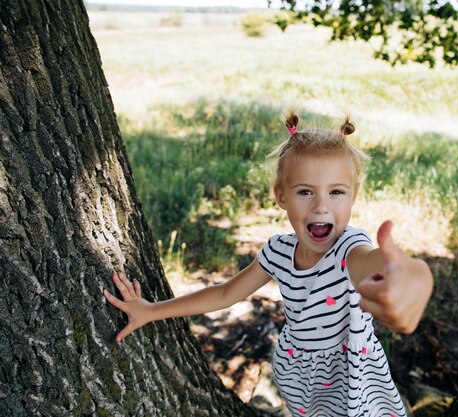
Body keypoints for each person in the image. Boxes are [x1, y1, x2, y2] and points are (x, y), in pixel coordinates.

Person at [104, 110, 434, 417]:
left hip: (350, 381)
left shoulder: (349, 248)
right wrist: (151, 310)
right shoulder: (277, 252)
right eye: (305, 192)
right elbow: (224, 295)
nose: (321, 206)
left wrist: (410, 276)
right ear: (281, 196)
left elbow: (375, 263)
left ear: (354, 195)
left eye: (336, 192)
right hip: (301, 375)